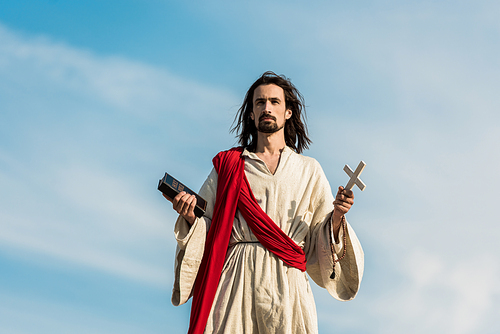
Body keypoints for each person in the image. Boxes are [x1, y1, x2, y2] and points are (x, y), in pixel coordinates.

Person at [164, 71, 364, 334]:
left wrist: (337, 216)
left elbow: (318, 239)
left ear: (288, 112)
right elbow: (208, 225)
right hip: (236, 280)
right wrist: (190, 216)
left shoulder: (308, 170)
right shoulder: (229, 166)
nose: (266, 108)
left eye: (274, 102)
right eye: (259, 103)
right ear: (251, 113)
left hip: (288, 285)